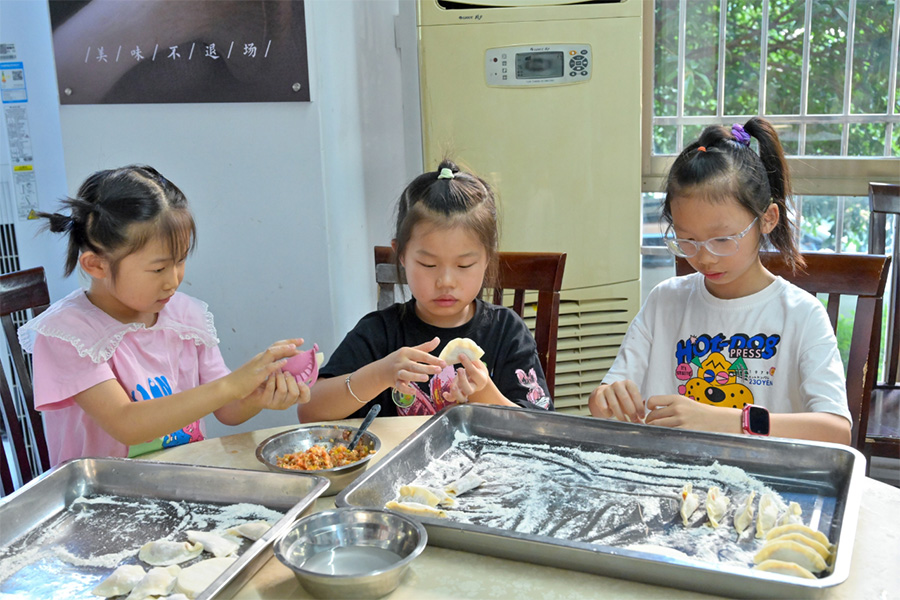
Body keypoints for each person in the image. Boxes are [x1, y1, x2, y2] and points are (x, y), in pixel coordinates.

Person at [19, 165, 310, 465]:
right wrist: (231, 385)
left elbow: (228, 409)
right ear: (97, 265)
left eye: (180, 261)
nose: (173, 280)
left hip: (183, 481)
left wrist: (257, 392)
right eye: (158, 269)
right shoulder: (68, 334)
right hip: (103, 498)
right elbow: (126, 424)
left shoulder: (185, 316)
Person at [588, 118, 851, 445]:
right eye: (687, 240)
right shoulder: (664, 301)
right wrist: (606, 397)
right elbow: (605, 401)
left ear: (767, 219)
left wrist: (724, 419)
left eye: (723, 240)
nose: (705, 257)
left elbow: (836, 430)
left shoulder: (800, 314)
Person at [299, 160, 554, 421]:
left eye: (464, 265)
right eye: (428, 264)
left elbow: (541, 428)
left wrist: (485, 393)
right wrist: (379, 374)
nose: (445, 281)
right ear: (401, 254)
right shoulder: (380, 333)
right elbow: (310, 412)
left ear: (487, 258)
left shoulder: (506, 331)